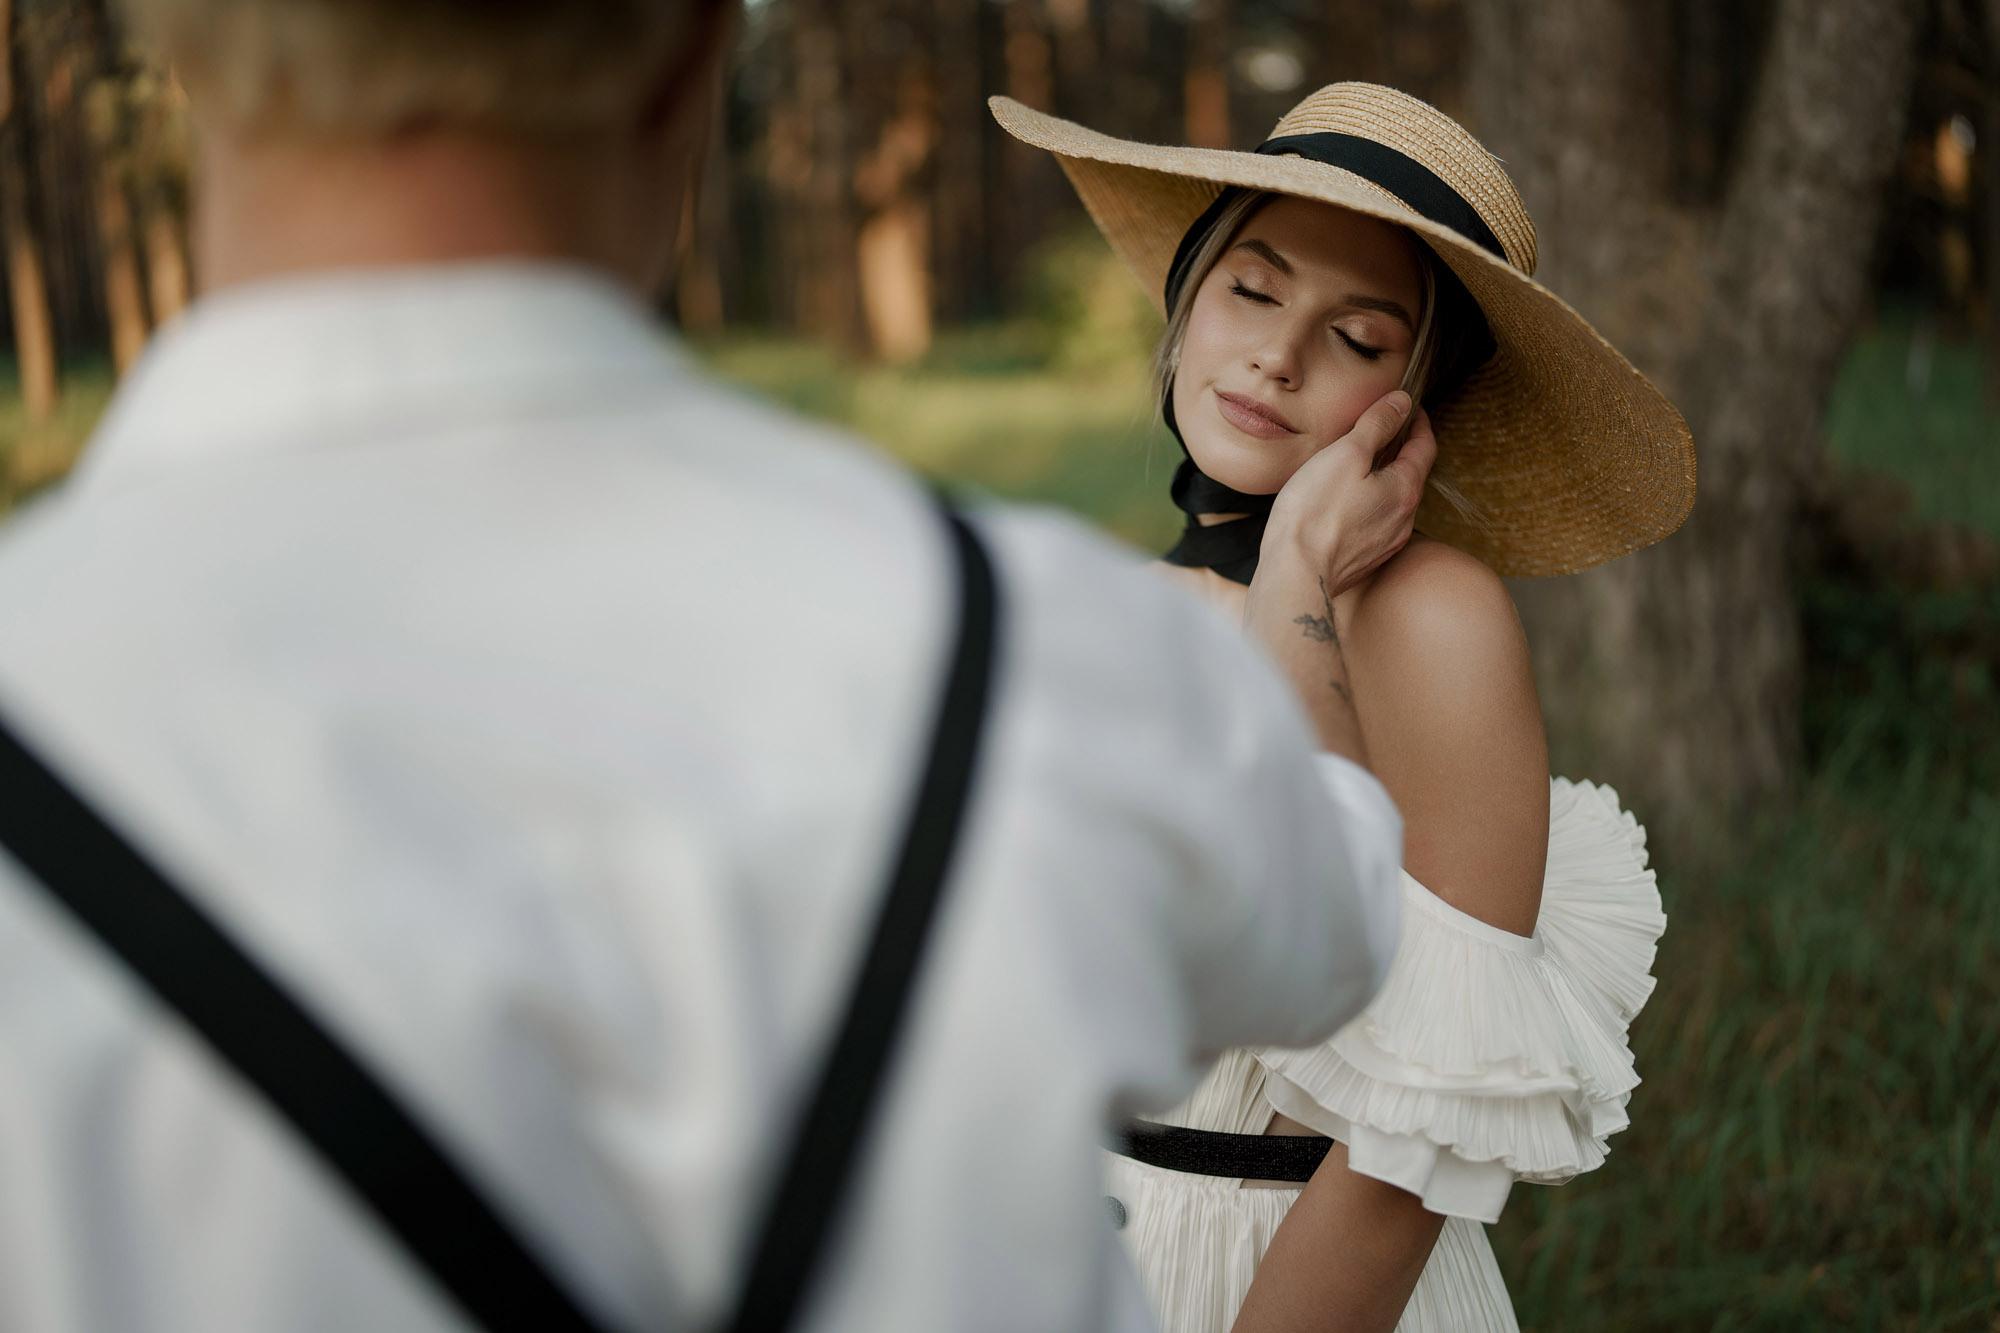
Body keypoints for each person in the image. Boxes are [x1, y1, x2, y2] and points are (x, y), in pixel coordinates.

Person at [0, 5, 1441, 1332]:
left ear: (178, 42)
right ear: (695, 61)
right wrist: (1302, 591)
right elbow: (1337, 922)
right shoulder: (1056, 663)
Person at [991, 82, 1688, 1333]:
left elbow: (1403, 1154)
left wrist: (1299, 578)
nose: (1276, 354)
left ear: (1419, 398)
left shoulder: (1434, 621)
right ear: (1189, 297)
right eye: (1251, 291)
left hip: (1293, 1286)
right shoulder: (1113, 606)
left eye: (1358, 338)